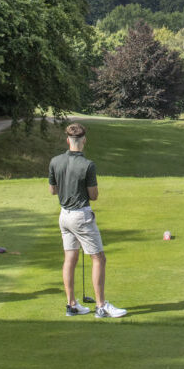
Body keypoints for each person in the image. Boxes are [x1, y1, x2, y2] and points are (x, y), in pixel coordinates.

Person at [48, 123, 126, 319]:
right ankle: (101, 306)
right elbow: (94, 195)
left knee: (70, 258)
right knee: (98, 258)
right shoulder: (88, 165)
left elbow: (53, 190)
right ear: (84, 140)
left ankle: (72, 304)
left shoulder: (55, 161)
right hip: (81, 216)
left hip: (64, 216)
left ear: (67, 140)